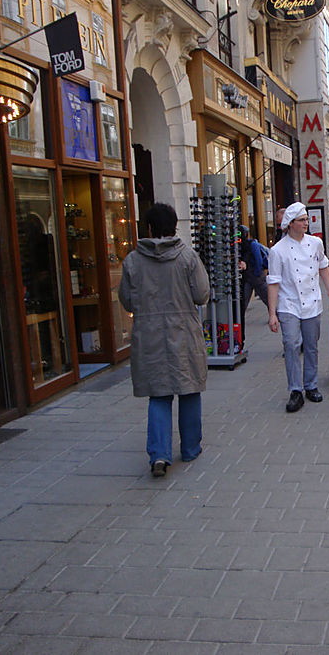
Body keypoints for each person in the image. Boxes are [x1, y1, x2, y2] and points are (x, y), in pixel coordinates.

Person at [118, 202, 210, 478]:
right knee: (189, 388)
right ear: (174, 226)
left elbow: (126, 299)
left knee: (158, 394)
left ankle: (159, 454)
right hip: (183, 331)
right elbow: (201, 294)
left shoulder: (133, 260)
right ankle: (191, 447)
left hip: (149, 334)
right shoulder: (187, 257)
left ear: (148, 228)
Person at [267, 202, 329, 413]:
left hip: (312, 302)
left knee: (311, 345)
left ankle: (311, 385)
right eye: (301, 220)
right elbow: (273, 282)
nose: (306, 223)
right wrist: (272, 313)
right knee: (291, 344)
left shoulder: (315, 243)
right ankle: (295, 390)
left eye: (307, 219)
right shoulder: (277, 251)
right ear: (290, 224)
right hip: (288, 303)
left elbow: (323, 266)